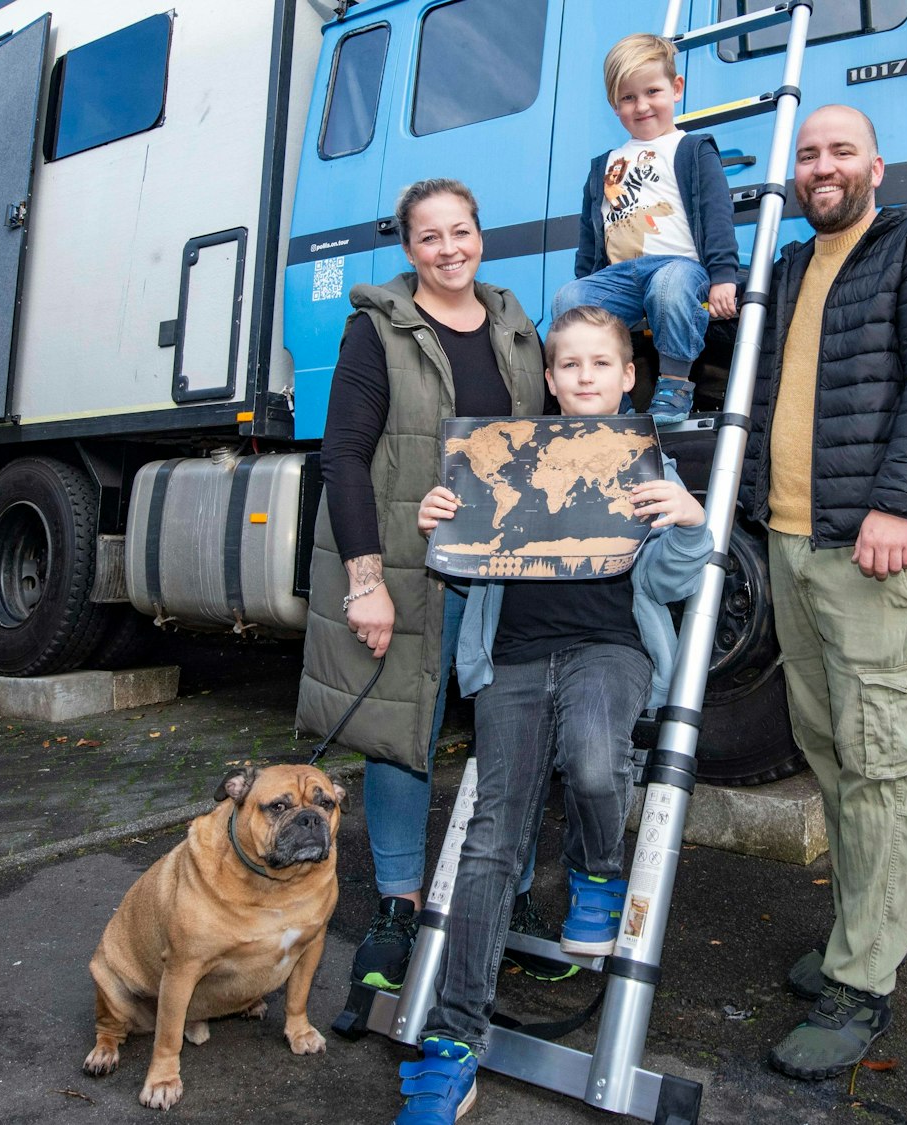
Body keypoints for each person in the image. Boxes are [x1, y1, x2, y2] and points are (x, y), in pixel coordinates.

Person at [392, 306, 712, 1124]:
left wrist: (690, 523)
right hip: (517, 662)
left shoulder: (652, 461)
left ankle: (598, 867)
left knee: (597, 758)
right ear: (550, 379)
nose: (585, 377)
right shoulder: (509, 456)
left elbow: (674, 582)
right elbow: (469, 574)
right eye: (569, 365)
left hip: (611, 647)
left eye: (601, 364)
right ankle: (454, 1040)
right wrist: (443, 528)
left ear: (627, 375)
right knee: (492, 840)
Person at [735, 105, 907, 1080]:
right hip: (796, 545)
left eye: (839, 150)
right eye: (806, 155)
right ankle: (853, 934)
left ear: (875, 164)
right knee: (828, 749)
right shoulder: (796, 267)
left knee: (877, 761)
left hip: (876, 547)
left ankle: (864, 985)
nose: (820, 166)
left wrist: (896, 504)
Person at [295, 179, 570, 997]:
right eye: (429, 238)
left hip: (504, 568)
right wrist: (365, 583)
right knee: (398, 731)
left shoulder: (518, 326)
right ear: (408, 248)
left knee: (514, 733)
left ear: (481, 235)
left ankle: (509, 904)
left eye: (462, 232)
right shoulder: (377, 328)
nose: (449, 249)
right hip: (409, 569)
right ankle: (396, 909)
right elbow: (343, 456)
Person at [551, 33, 739, 426]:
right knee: (569, 298)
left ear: (676, 88)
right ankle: (611, 401)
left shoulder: (692, 148)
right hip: (618, 276)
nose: (642, 106)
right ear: (614, 106)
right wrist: (588, 283)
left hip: (678, 267)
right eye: (628, 98)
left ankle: (673, 387)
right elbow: (592, 230)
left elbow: (716, 212)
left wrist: (723, 275)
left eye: (652, 91)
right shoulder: (605, 164)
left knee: (669, 289)